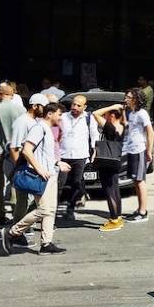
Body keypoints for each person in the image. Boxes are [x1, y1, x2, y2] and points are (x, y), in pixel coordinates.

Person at [1, 103, 69, 255]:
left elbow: (45, 154)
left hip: (50, 174)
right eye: (59, 114)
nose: (60, 118)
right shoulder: (39, 128)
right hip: (41, 176)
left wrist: (57, 163)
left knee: (50, 211)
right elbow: (26, 150)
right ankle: (12, 232)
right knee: (44, 209)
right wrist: (39, 169)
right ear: (49, 114)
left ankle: (46, 244)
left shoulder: (47, 129)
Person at [8, 93, 48, 228]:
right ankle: (16, 229)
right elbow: (14, 147)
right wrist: (19, 168)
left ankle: (24, 226)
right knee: (22, 201)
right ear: (35, 106)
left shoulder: (35, 121)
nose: (45, 110)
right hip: (23, 165)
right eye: (43, 107)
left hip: (32, 165)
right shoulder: (22, 121)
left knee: (34, 198)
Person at [0, 83, 23, 226]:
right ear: (12, 95)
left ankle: (0, 214)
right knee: (14, 181)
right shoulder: (20, 110)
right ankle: (16, 212)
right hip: (14, 149)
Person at [60, 94, 98, 222]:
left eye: (78, 105)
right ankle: (51, 211)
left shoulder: (89, 118)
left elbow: (94, 135)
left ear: (84, 107)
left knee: (77, 183)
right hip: (63, 155)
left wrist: (94, 150)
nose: (75, 107)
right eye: (73, 104)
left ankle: (70, 208)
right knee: (60, 184)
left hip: (80, 156)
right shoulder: (63, 117)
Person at [121, 88, 154, 222]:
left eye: (128, 97)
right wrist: (123, 112)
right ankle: (139, 208)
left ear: (135, 99)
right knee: (135, 180)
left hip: (139, 149)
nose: (126, 99)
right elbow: (127, 126)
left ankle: (143, 212)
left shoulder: (142, 113)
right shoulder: (132, 113)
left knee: (140, 181)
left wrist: (148, 150)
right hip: (131, 149)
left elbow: (151, 132)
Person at [91, 105, 126, 232]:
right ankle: (118, 217)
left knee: (109, 191)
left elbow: (95, 113)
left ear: (112, 116)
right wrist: (121, 110)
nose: (104, 116)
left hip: (106, 161)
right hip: (116, 160)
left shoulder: (110, 127)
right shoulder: (123, 126)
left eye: (106, 115)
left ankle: (114, 219)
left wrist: (113, 106)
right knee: (115, 189)